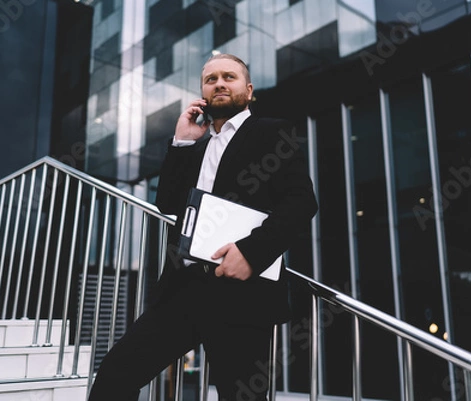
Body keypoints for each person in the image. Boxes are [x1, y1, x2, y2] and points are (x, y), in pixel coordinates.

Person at [87, 53, 318, 401]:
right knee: (115, 374)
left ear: (249, 89)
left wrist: (251, 253)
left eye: (229, 77)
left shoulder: (272, 132)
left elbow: (301, 202)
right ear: (203, 93)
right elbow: (167, 205)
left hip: (241, 290)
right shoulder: (195, 146)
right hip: (183, 288)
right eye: (211, 79)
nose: (220, 83)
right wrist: (181, 142)